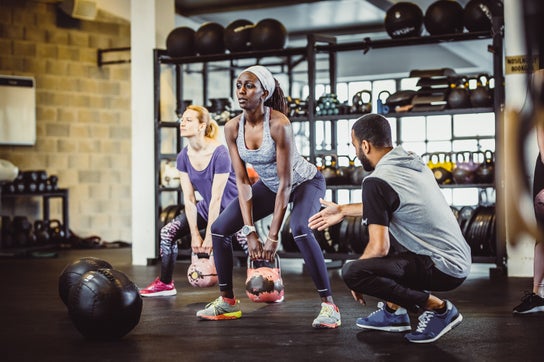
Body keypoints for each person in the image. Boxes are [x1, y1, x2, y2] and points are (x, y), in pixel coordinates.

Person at [195, 65, 341, 329]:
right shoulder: (231, 128)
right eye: (239, 84)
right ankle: (227, 302)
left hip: (304, 182)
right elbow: (242, 181)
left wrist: (272, 237)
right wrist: (250, 232)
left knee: (299, 229)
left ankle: (329, 305)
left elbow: (287, 184)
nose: (241, 90)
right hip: (271, 186)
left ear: (264, 92)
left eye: (249, 86)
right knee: (219, 229)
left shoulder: (278, 124)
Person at [308, 113, 471, 343]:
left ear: (365, 145)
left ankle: (439, 310)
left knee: (352, 271)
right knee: (390, 226)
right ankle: (395, 313)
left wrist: (358, 272)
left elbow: (379, 247)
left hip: (441, 267)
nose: (356, 154)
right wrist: (343, 209)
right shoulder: (410, 161)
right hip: (459, 259)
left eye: (355, 146)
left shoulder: (376, 181)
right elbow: (390, 204)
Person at [140, 105, 246, 297]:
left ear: (201, 126)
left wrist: (208, 237)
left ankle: (268, 280)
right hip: (207, 208)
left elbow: (217, 198)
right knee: (167, 232)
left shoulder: (220, 153)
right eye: (182, 119)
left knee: (249, 243)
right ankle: (165, 284)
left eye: (189, 120)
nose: (182, 123)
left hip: (232, 209)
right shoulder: (183, 156)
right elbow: (189, 199)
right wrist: (194, 234)